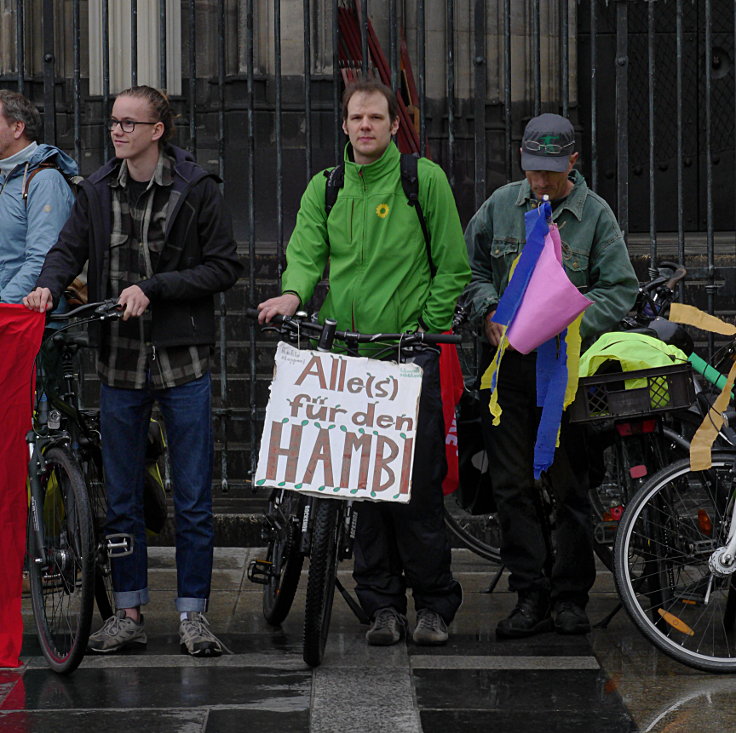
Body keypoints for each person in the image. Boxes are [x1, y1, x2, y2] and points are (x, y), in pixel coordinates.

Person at [24, 85, 242, 656]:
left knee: (192, 496)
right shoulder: (94, 190)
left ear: (157, 130)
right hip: (119, 363)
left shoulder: (196, 190)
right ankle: (128, 612)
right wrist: (47, 284)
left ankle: (193, 616)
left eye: (128, 122)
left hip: (183, 361)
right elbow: (67, 250)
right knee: (120, 494)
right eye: (114, 122)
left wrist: (154, 288)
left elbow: (224, 266)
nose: (117, 131)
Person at [258, 80, 469, 646]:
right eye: (357, 117)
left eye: (377, 117)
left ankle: (433, 604)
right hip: (345, 356)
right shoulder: (326, 187)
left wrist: (428, 321)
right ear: (346, 124)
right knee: (362, 490)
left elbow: (452, 265)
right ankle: (382, 606)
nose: (366, 126)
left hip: (408, 355)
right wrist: (292, 296)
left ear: (395, 126)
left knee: (416, 489)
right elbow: (305, 255)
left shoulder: (422, 180)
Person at [464, 113, 638, 638]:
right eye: (533, 170)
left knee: (571, 488)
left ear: (573, 162)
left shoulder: (595, 216)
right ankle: (529, 594)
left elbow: (620, 288)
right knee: (511, 484)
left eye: (551, 172)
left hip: (565, 371)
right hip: (509, 369)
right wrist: (489, 312)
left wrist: (568, 322)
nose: (540, 182)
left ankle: (569, 597)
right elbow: (468, 272)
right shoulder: (500, 207)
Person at [0, 90, 78, 304]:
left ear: (17, 128)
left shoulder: (45, 181)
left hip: (27, 320)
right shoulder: (6, 177)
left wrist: (3, 303)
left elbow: (43, 260)